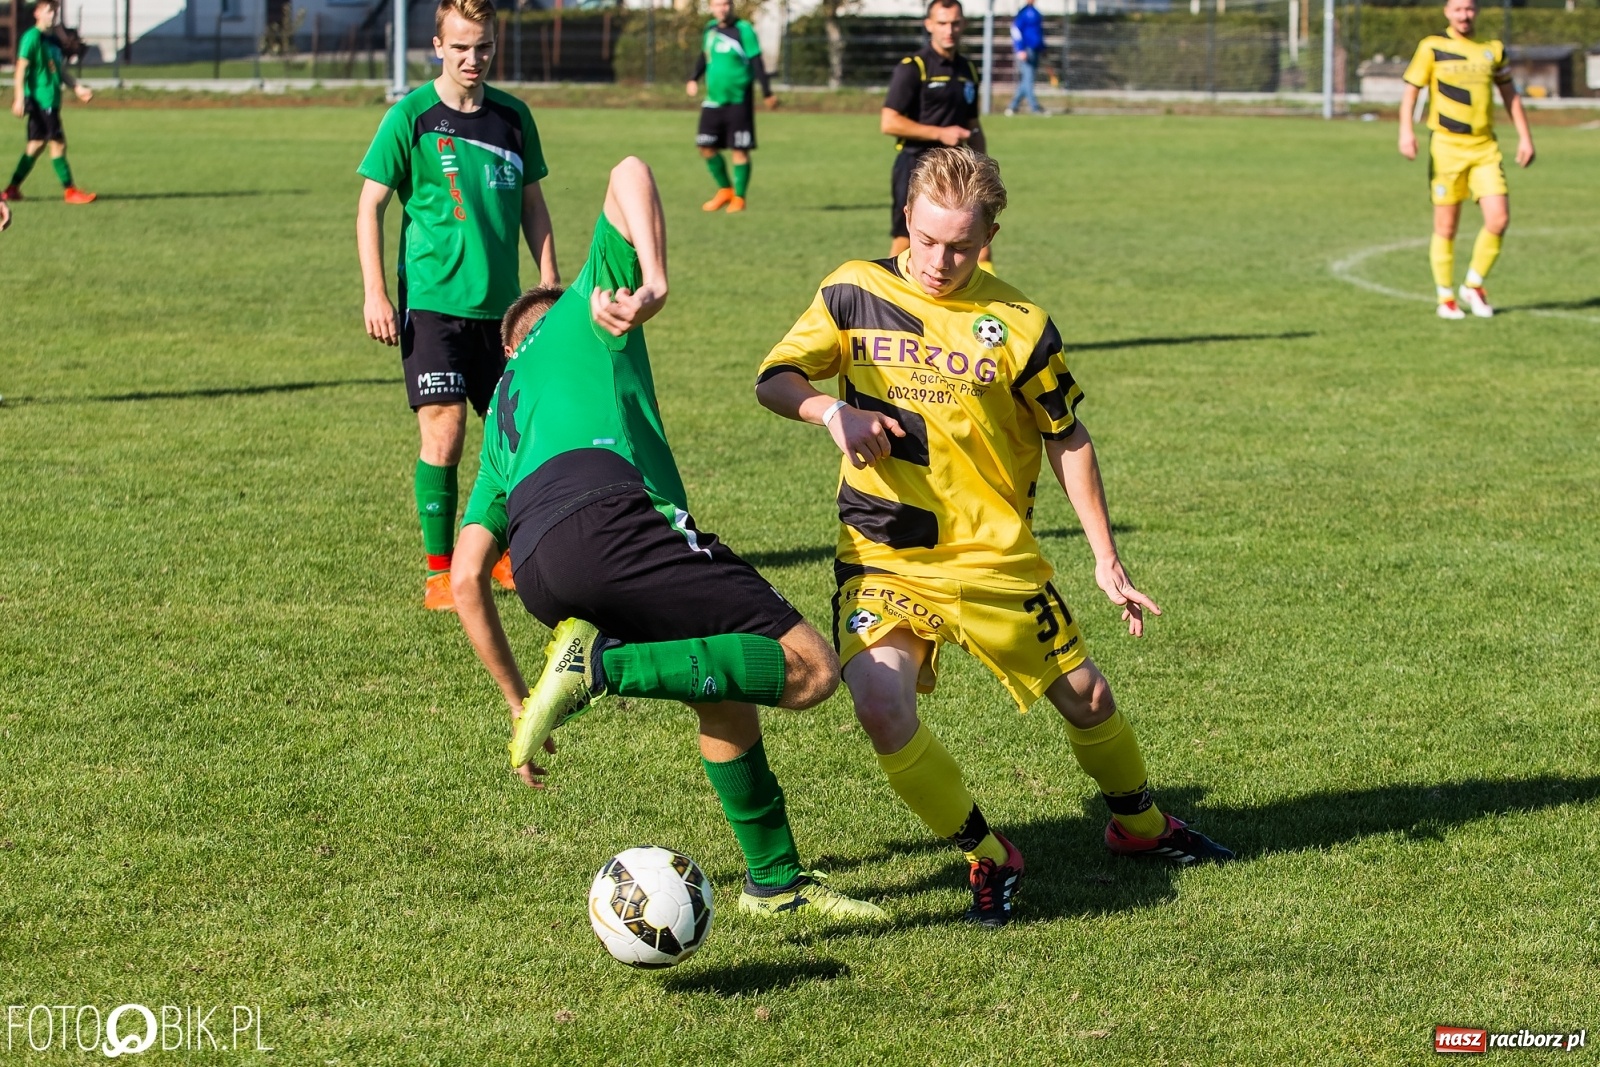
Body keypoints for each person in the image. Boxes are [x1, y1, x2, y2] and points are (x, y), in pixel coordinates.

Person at [754, 146, 1233, 928]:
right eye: (929, 238)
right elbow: (776, 378)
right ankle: (987, 851)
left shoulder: (1018, 325)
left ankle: (1139, 826)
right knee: (878, 700)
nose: (941, 261)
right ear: (906, 215)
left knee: (1089, 698)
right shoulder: (852, 289)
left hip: (993, 553)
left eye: (963, 246)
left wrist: (1106, 558)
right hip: (883, 549)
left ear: (990, 237)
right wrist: (829, 411)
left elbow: (1066, 437)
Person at [451, 155, 887, 924]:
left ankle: (775, 880)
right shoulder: (582, 310)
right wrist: (652, 279)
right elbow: (625, 170)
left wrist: (521, 699)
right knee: (811, 669)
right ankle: (604, 666)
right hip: (613, 519)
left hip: (545, 572)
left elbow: (466, 579)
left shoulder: (499, 431)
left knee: (724, 685)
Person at [357, 0, 558, 611]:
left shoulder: (513, 118)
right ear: (438, 46)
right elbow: (370, 205)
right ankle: (440, 574)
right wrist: (375, 291)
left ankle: (501, 557)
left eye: (485, 47)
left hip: (503, 313)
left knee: (514, 438)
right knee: (444, 433)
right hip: (434, 304)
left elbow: (533, 206)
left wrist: (548, 288)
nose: (474, 59)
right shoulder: (411, 116)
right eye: (462, 46)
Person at [1398, 0, 1533, 320]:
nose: (1464, 15)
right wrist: (1406, 131)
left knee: (1498, 219)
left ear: (1478, 11)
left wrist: (1525, 137)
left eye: (1470, 8)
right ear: (1446, 11)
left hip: (1485, 147)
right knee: (1446, 226)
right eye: (1457, 9)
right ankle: (1445, 296)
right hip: (1446, 147)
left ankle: (1473, 284)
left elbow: (1510, 94)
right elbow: (1411, 92)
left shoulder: (1493, 50)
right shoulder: (1433, 47)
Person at [882, 0, 991, 269]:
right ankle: (888, 302)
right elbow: (889, 122)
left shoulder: (969, 70)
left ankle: (986, 308)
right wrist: (940, 133)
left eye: (955, 23)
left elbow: (973, 123)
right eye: (942, 23)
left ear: (963, 24)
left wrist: (983, 167)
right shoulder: (913, 67)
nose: (949, 30)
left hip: (957, 171)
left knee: (978, 243)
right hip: (915, 165)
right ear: (929, 25)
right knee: (906, 239)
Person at [687, 0, 776, 214]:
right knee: (705, 146)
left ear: (732, 6)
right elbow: (704, 56)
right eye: (717, 4)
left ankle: (740, 197)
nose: (722, 8)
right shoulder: (710, 29)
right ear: (711, 7)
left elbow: (757, 62)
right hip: (713, 100)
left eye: (726, 4)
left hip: (739, 100)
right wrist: (693, 78)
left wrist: (767, 92)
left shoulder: (743, 30)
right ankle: (725, 190)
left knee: (739, 149)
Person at [4, 0, 95, 205]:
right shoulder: (31, 37)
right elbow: (21, 70)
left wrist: (77, 88)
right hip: (40, 100)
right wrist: (19, 98)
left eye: (54, 12)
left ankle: (11, 189)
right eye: (48, 12)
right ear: (37, 13)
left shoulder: (53, 41)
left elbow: (60, 71)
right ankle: (70, 191)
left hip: (51, 101)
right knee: (58, 144)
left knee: (35, 146)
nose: (52, 16)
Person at [1005, 0, 1046, 117]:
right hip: (1026, 50)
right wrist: (1020, 49)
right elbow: (1015, 30)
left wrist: (1043, 48)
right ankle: (1035, 107)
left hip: (1035, 50)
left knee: (1026, 80)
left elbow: (1039, 32)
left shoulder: (1036, 12)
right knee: (1029, 79)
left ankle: (1012, 106)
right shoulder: (1023, 13)